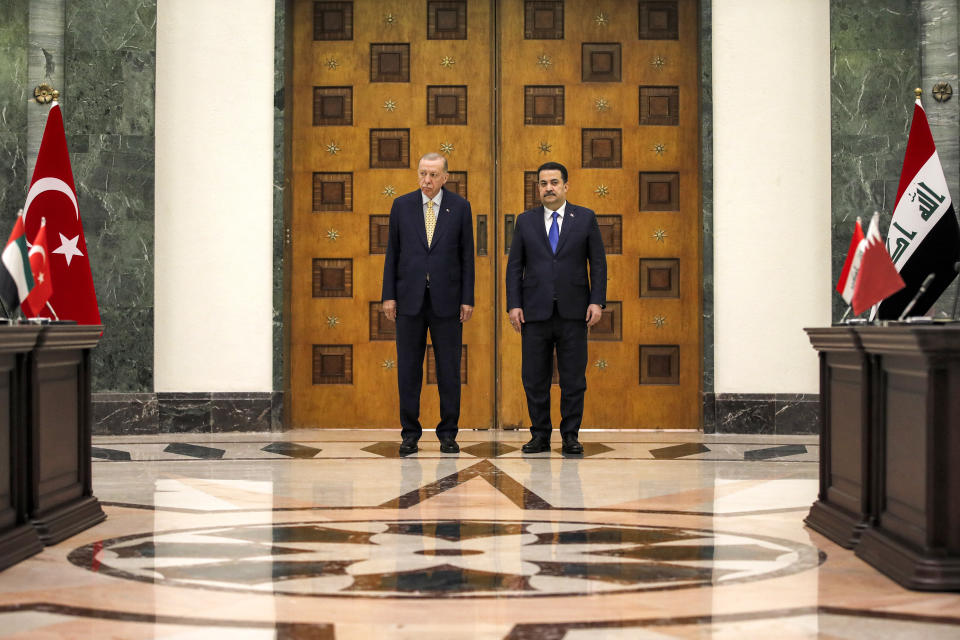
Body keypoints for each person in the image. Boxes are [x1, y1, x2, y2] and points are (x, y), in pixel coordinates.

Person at [505, 162, 606, 454]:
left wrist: (596, 301)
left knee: (573, 379)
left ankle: (570, 436)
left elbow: (597, 263)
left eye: (553, 182)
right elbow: (515, 268)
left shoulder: (585, 218)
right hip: (534, 313)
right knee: (535, 378)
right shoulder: (525, 221)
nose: (548, 188)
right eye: (542, 183)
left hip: (574, 312)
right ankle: (540, 435)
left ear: (565, 186)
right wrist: (514, 305)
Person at [382, 153, 475, 456]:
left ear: (445, 177)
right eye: (423, 174)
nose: (427, 180)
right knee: (408, 370)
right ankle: (410, 434)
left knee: (449, 369)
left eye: (434, 175)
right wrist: (389, 296)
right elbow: (392, 253)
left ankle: (448, 433)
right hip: (409, 300)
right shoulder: (402, 205)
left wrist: (467, 298)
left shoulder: (460, 207)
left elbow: (467, 257)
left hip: (447, 301)